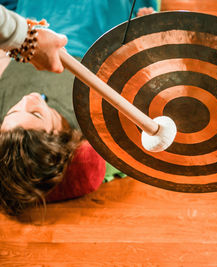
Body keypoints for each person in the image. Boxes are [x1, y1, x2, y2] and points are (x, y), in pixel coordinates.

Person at [0, 1, 158, 216]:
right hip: (91, 37)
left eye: (13, 111)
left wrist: (23, 37)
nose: (28, 99)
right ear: (57, 137)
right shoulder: (93, 118)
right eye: (35, 113)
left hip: (34, 25)